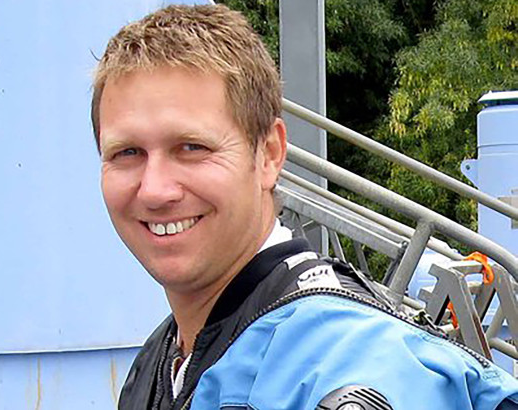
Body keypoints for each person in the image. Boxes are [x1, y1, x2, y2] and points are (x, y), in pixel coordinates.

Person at [91, 4, 518, 409]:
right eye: (127, 152)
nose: (155, 190)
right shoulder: (161, 360)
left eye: (191, 147)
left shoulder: (349, 373)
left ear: (270, 155)